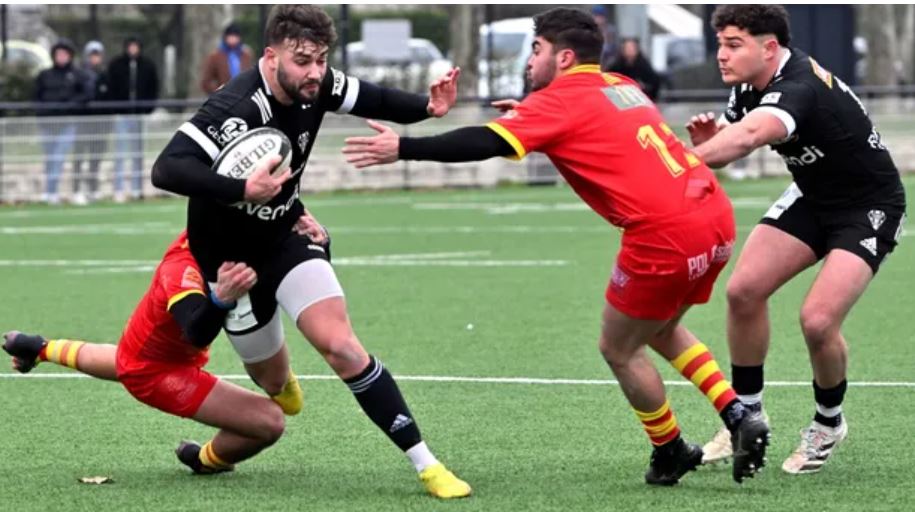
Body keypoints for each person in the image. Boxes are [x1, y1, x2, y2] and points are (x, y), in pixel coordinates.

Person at [341, 7, 769, 485]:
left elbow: (484, 142)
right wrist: (529, 120)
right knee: (660, 328)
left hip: (664, 233)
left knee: (618, 347)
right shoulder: (621, 83)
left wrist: (404, 148)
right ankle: (737, 413)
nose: (530, 60)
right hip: (713, 214)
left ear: (563, 58)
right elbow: (593, 129)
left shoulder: (559, 101)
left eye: (537, 50)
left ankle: (669, 448)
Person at [151, 5, 470, 499]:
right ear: (271, 55)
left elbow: (375, 96)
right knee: (270, 378)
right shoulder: (232, 107)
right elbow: (167, 169)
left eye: (321, 59)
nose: (315, 72)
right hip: (232, 265)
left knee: (341, 346)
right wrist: (239, 187)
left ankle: (426, 464)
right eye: (303, 60)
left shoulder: (319, 85)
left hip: (286, 236)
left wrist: (427, 108)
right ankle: (278, 386)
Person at [685, 5, 906, 474]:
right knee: (744, 292)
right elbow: (731, 141)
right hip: (811, 196)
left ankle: (828, 423)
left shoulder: (800, 85)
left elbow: (748, 137)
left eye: (733, 44)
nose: (721, 55)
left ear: (769, 47)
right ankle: (746, 416)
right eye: (720, 43)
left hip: (868, 206)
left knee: (817, 322)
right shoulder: (748, 85)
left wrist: (686, 159)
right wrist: (711, 142)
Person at [3, 230, 297, 474]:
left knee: (127, 361)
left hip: (142, 348)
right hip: (161, 373)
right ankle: (205, 460)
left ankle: (40, 348)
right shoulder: (182, 270)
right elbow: (198, 332)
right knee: (269, 422)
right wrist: (221, 300)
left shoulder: (214, 231)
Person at [34, 38, 91, 205]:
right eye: (58, 54)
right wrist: (44, 111)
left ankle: (52, 192)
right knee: (49, 158)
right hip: (47, 124)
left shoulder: (77, 75)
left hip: (67, 123)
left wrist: (68, 106)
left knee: (59, 158)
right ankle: (49, 191)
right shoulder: (45, 75)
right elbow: (36, 97)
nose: (61, 57)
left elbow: (86, 95)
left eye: (64, 54)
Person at [107, 36, 159, 202]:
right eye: (130, 46)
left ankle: (137, 189)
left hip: (139, 115)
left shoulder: (148, 65)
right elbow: (111, 87)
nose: (133, 49)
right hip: (122, 114)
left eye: (136, 46)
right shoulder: (116, 65)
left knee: (137, 154)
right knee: (120, 153)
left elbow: (154, 87)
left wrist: (148, 108)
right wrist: (116, 107)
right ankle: (119, 189)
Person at [72, 40, 110, 205]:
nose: (95, 59)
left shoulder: (105, 75)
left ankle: (93, 189)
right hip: (83, 121)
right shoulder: (78, 74)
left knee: (96, 158)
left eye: (97, 55)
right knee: (79, 157)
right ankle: (77, 190)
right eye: (92, 55)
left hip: (100, 122)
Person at [201, 23, 255, 95]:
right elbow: (206, 81)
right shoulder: (216, 56)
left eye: (235, 36)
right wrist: (218, 91)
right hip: (224, 97)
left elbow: (252, 76)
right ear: (225, 37)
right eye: (230, 36)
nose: (233, 39)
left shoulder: (246, 54)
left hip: (243, 96)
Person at [590, 5, 617, 71]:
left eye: (600, 16)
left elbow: (614, 49)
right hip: (592, 64)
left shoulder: (610, 30)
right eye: (596, 16)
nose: (598, 19)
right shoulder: (589, 30)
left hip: (608, 65)